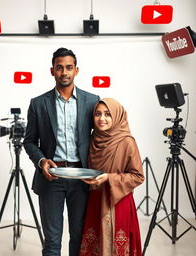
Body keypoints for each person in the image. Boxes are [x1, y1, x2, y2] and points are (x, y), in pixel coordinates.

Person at [23, 47, 100, 256]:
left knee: (79, 237)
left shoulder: (93, 101)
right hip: (51, 178)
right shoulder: (38, 104)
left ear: (76, 70)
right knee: (52, 242)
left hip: (82, 179)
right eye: (59, 68)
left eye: (68, 67)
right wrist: (42, 161)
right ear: (52, 71)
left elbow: (101, 138)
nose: (64, 72)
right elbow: (29, 141)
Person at [79, 98, 144, 256]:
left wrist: (109, 177)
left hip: (118, 201)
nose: (102, 119)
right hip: (95, 199)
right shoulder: (93, 140)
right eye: (98, 114)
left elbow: (138, 176)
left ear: (117, 116)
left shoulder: (126, 141)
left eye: (108, 114)